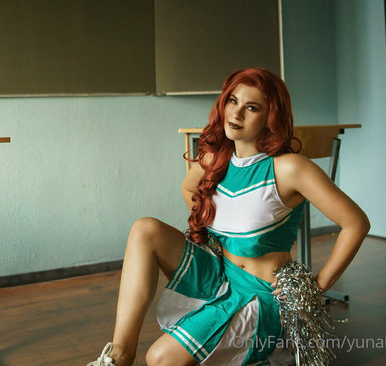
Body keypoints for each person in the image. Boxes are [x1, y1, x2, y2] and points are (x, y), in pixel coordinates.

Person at [87, 68, 370, 366]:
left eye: (252, 107)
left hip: (259, 295)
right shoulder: (215, 160)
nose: (236, 113)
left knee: (160, 358)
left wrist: (317, 286)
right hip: (218, 273)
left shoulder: (289, 168)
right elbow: (188, 188)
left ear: (271, 117)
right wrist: (213, 230)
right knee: (145, 229)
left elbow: (356, 223)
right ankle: (119, 355)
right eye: (233, 101)